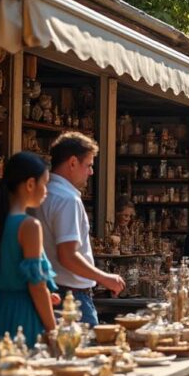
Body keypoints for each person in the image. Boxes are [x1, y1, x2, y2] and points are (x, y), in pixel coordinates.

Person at [37, 132, 125, 326]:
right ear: (73, 162)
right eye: (89, 165)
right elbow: (67, 255)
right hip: (72, 297)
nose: (91, 172)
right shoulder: (67, 199)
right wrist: (105, 278)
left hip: (48, 293)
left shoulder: (42, 194)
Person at [0, 152, 58, 348]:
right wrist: (53, 330)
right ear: (31, 184)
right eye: (45, 184)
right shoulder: (30, 225)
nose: (46, 191)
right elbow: (36, 286)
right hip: (24, 316)